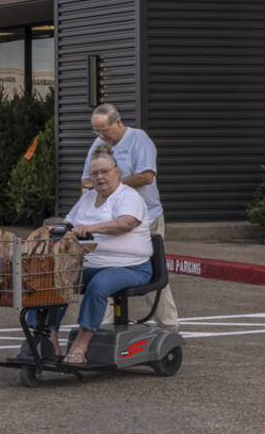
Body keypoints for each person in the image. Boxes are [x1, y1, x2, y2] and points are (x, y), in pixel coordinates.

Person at [28, 149, 154, 365]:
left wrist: (90, 228)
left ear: (117, 172)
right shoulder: (88, 198)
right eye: (94, 173)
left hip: (130, 266)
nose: (99, 177)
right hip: (88, 263)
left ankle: (81, 344)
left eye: (104, 171)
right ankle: (49, 339)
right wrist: (53, 229)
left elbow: (125, 223)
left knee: (99, 285)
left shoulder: (128, 196)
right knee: (52, 280)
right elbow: (68, 223)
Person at [82, 103, 178, 328]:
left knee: (153, 271)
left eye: (105, 130)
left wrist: (112, 185)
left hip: (146, 217)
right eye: (96, 131)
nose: (101, 135)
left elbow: (146, 176)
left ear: (118, 121)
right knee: (104, 267)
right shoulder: (99, 145)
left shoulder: (138, 139)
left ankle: (169, 324)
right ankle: (101, 325)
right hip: (111, 220)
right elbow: (86, 181)